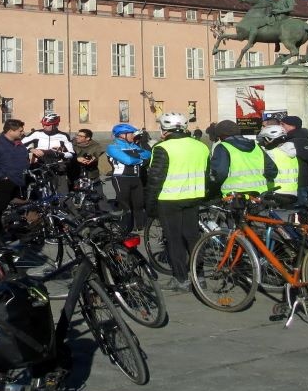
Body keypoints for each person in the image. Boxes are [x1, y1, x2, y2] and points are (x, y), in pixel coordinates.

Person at [145, 112, 211, 292]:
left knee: (174, 240)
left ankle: (180, 279)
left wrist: (149, 206)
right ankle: (200, 276)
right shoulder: (201, 146)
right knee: (192, 237)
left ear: (165, 130)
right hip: (194, 196)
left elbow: (155, 179)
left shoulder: (162, 148)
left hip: (169, 199)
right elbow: (206, 173)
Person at [207, 120, 276, 197]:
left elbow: (219, 173)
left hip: (234, 197)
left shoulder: (223, 147)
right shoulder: (256, 146)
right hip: (259, 195)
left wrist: (213, 189)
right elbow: (272, 170)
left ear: (222, 135)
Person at [106, 123, 152, 233]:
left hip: (136, 178)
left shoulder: (133, 146)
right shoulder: (113, 147)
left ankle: (139, 226)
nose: (133, 136)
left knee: (139, 203)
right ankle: (125, 226)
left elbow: (148, 154)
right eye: (131, 133)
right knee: (124, 204)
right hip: (121, 179)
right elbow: (128, 161)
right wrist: (140, 159)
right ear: (122, 135)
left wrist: (138, 156)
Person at [0, 119, 30, 229]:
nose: (23, 133)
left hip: (20, 183)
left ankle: (15, 231)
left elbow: (24, 160)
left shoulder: (19, 145)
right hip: (4, 184)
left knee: (18, 211)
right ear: (11, 131)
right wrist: (2, 177)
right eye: (20, 131)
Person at [22, 112, 75, 193]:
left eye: (47, 125)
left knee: (62, 192)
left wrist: (60, 154)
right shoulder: (36, 133)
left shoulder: (63, 136)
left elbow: (72, 154)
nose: (44, 126)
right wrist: (31, 150)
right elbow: (19, 145)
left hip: (56, 165)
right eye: (43, 124)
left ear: (55, 125)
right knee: (36, 191)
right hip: (39, 164)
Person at [281, 115, 308, 205]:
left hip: (301, 185)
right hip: (294, 184)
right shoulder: (291, 139)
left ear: (292, 126)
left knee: (300, 212)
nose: (281, 127)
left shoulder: (299, 141)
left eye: (283, 124)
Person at [258, 124, 301, 202]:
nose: (263, 142)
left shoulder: (270, 154)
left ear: (270, 139)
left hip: (275, 193)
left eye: (264, 139)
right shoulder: (290, 151)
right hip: (292, 193)